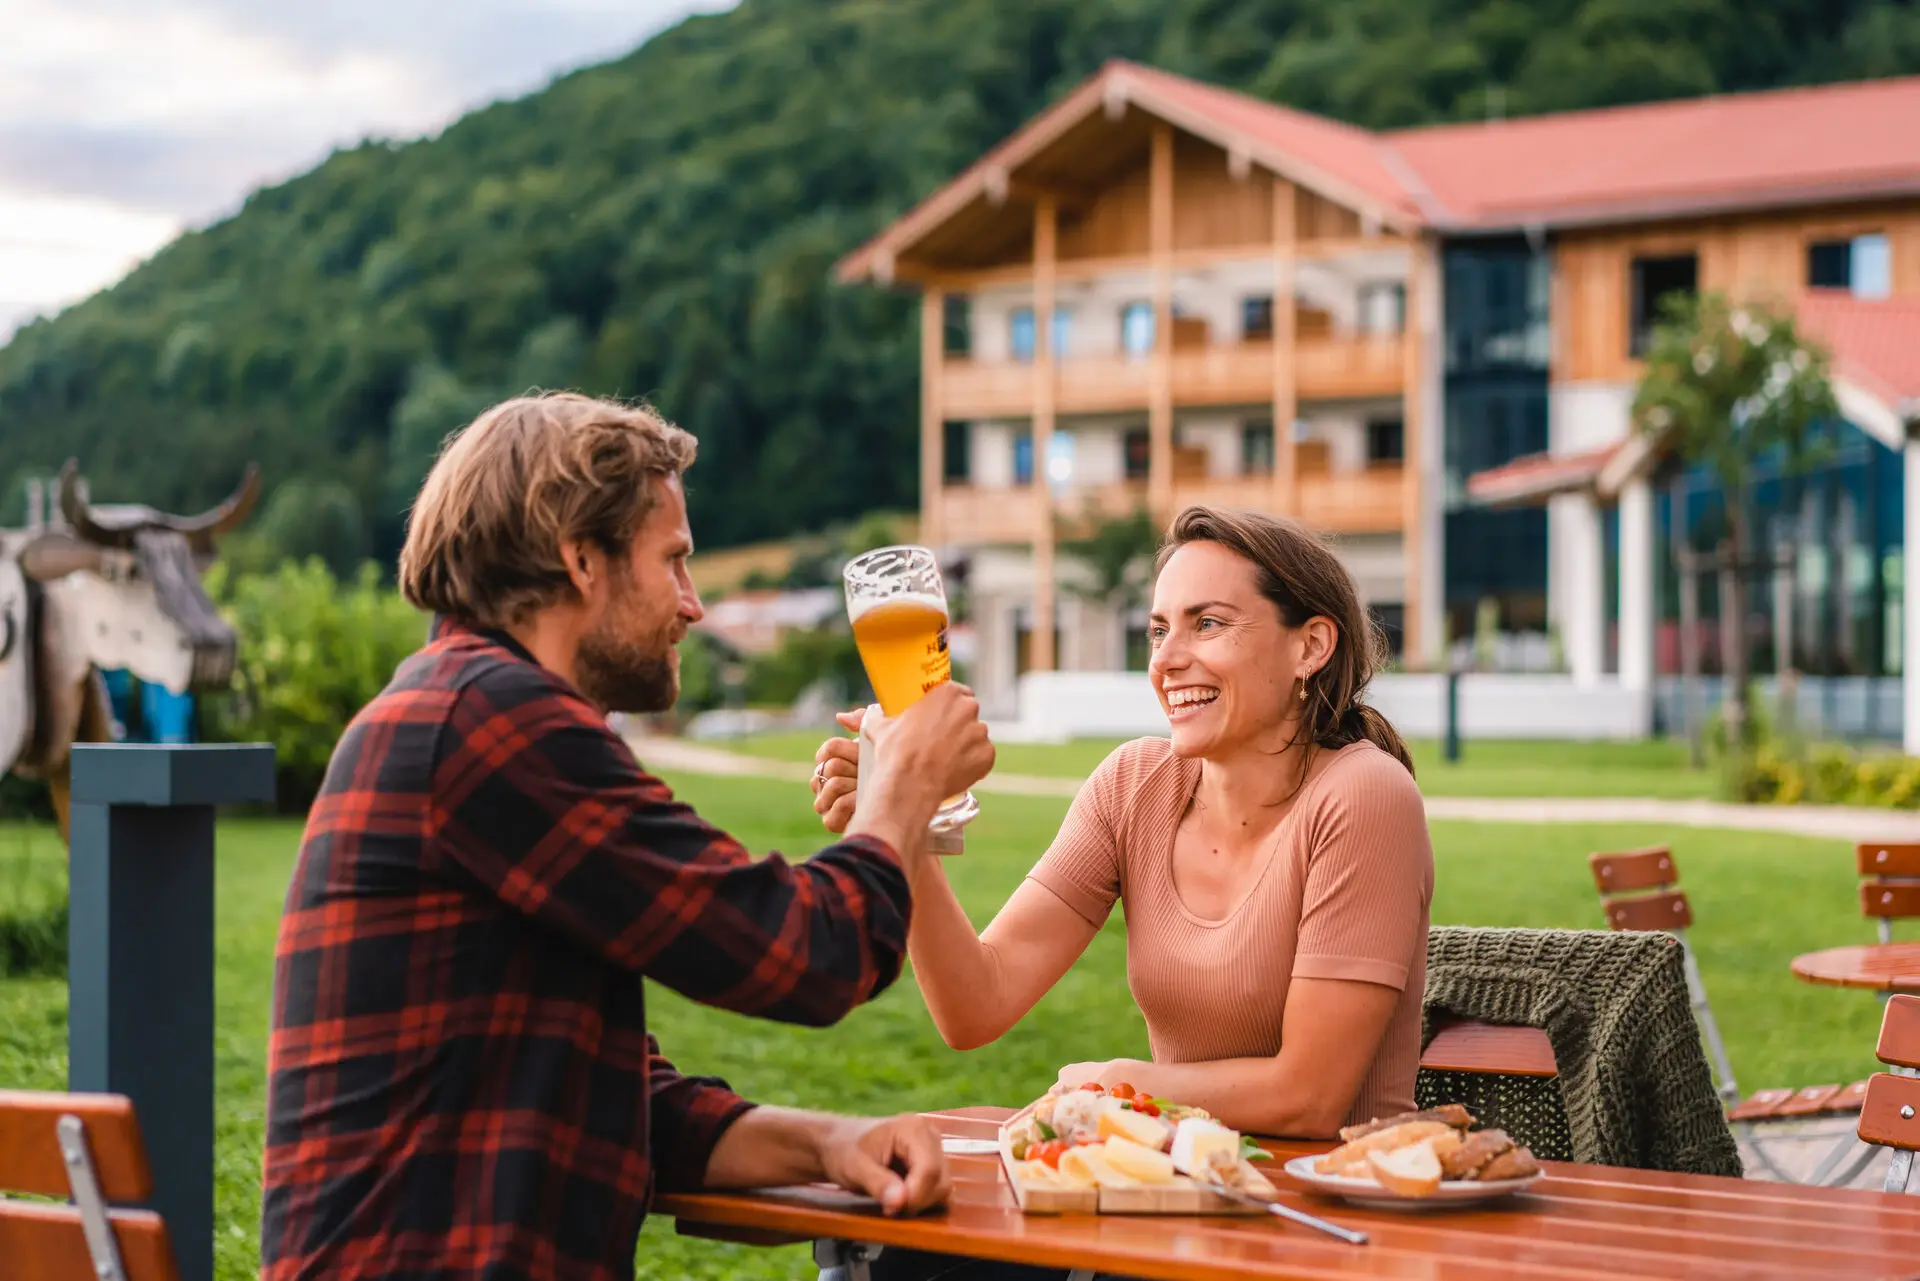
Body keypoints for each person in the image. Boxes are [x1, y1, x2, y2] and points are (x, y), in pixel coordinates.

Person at [260, 392, 995, 1281]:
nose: (694, 605)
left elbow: (613, 1097)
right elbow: (808, 952)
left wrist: (831, 1144)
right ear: (582, 559)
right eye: (674, 560)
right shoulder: (493, 721)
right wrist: (905, 782)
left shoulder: (463, 708)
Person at [811, 505, 1433, 1142]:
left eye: (1208, 624)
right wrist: (906, 820)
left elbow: (1309, 1097)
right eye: (1158, 630)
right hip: (1188, 1184)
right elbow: (975, 1005)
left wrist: (1116, 1083)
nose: (1167, 659)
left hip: (1344, 1193)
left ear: (1311, 646)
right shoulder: (1133, 784)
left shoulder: (1365, 795)